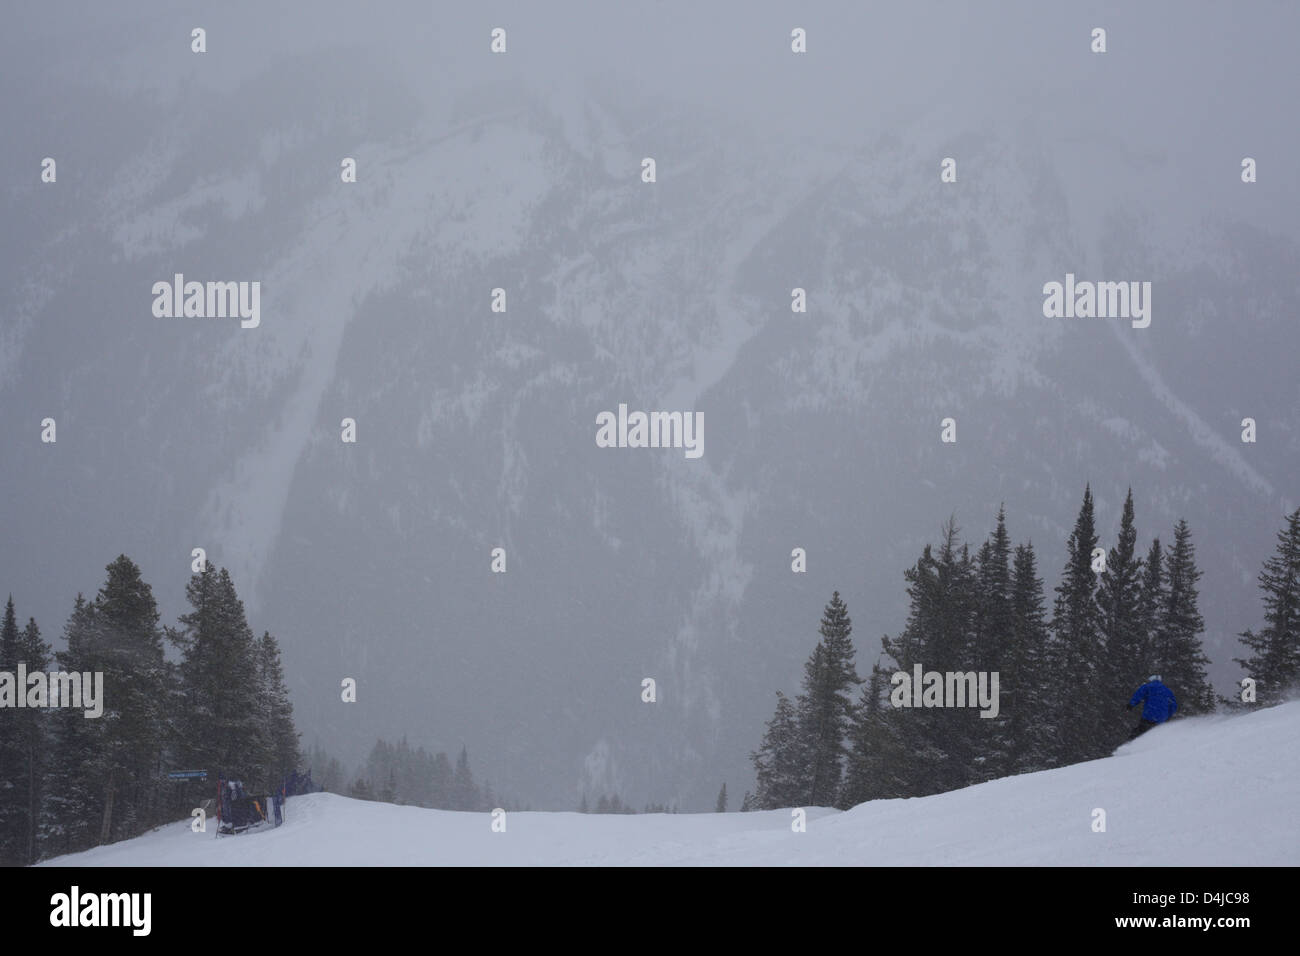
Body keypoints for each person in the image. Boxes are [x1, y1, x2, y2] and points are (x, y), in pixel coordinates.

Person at [1127, 675, 1177, 739]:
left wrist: (1131, 704)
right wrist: (1168, 716)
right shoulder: (1168, 691)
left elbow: (1138, 695)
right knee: (1157, 734)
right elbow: (1173, 705)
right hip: (1162, 718)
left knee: (1138, 732)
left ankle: (1130, 744)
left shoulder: (1148, 687)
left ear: (1150, 680)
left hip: (1149, 716)